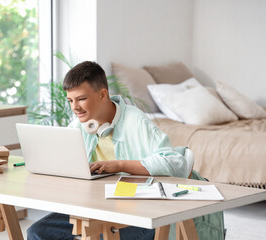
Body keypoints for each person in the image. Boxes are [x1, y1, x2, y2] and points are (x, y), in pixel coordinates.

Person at [27, 61, 223, 240]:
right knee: (37, 232)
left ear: (103, 94)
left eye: (81, 99)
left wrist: (118, 165)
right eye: (70, 100)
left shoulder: (135, 120)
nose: (75, 107)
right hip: (98, 206)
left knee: (103, 236)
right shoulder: (79, 126)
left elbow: (174, 161)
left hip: (141, 210)